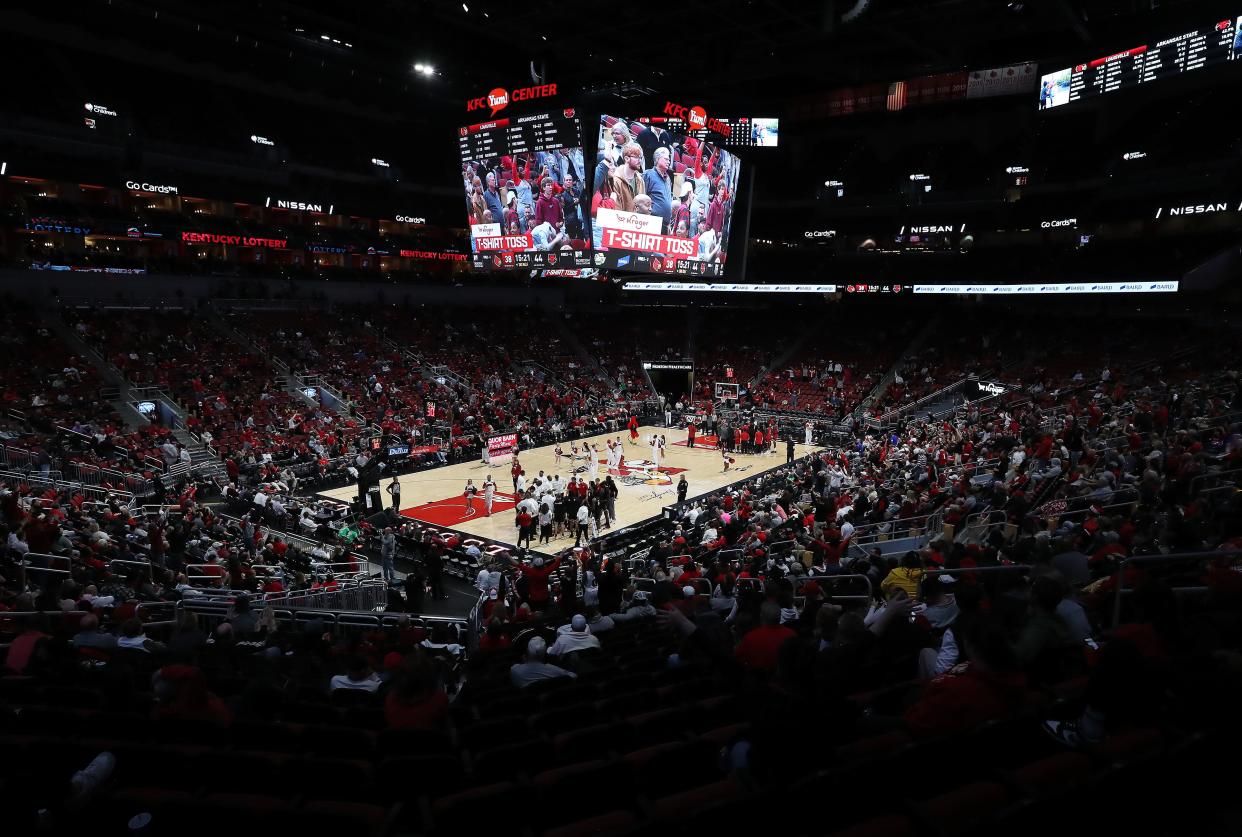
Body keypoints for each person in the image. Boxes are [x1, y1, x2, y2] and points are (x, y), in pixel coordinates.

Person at [510, 636, 576, 689]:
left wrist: (523, 663)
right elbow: (573, 676)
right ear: (544, 653)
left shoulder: (514, 670)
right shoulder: (553, 670)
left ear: (527, 651)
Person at [643, 146, 674, 232]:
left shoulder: (668, 179)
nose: (669, 162)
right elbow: (642, 197)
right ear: (657, 159)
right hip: (651, 222)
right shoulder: (648, 174)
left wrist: (668, 223)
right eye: (666, 159)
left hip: (665, 224)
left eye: (669, 160)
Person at [610, 141, 646, 212]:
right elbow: (616, 209)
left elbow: (643, 205)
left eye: (640, 157)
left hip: (637, 221)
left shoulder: (640, 179)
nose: (640, 161)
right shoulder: (615, 179)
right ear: (626, 159)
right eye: (636, 157)